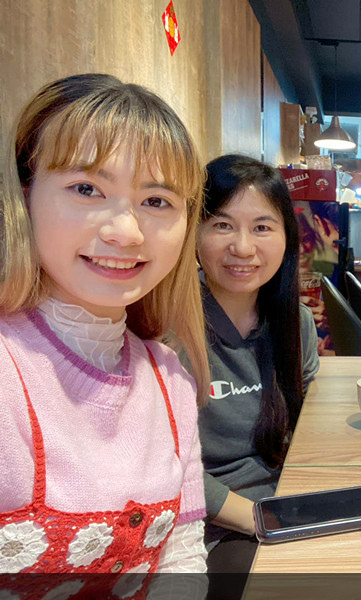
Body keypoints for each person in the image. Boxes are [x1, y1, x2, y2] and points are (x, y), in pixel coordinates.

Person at [0, 74, 210, 586]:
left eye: (156, 201)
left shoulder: (169, 378)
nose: (126, 232)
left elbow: (182, 556)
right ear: (24, 195)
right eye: (86, 189)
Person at [193, 155, 319, 581]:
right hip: (211, 526)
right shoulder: (169, 331)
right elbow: (164, 469)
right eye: (222, 225)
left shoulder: (295, 322)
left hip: (287, 502)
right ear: (193, 232)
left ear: (286, 236)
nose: (243, 248)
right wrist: (265, 520)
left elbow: (309, 428)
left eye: (262, 227)